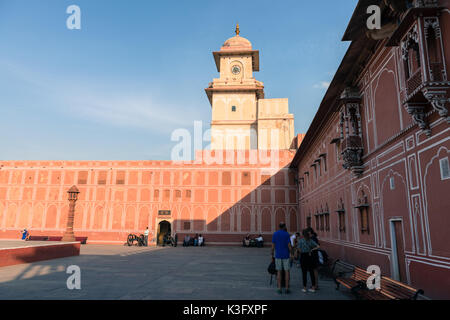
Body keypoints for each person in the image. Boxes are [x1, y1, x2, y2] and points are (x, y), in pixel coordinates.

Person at [271, 222, 293, 294]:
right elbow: (289, 245)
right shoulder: (286, 234)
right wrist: (292, 253)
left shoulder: (275, 234)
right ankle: (287, 288)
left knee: (279, 272)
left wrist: (272, 254)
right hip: (286, 255)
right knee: (287, 272)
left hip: (278, 255)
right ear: (284, 227)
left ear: (279, 227)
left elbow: (273, 246)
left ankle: (279, 288)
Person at [297, 229, 320, 293]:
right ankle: (313, 287)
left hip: (303, 257)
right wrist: (312, 249)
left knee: (304, 273)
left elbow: (299, 249)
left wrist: (301, 251)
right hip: (310, 256)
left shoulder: (300, 241)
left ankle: (304, 287)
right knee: (311, 272)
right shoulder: (310, 241)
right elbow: (318, 246)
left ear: (302, 234)